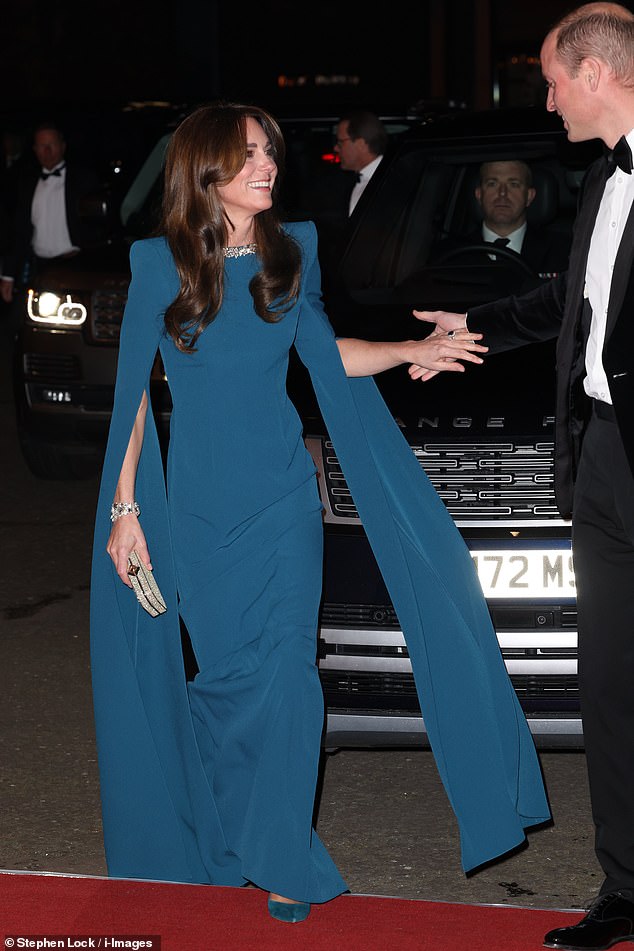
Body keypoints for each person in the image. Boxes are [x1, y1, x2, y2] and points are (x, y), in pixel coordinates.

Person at [90, 102, 549, 925]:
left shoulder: (291, 249)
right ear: (206, 172)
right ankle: (229, 835)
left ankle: (282, 857)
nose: (271, 166)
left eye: (270, 152)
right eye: (251, 155)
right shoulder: (158, 264)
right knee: (228, 684)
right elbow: (130, 402)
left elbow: (324, 353)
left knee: (289, 681)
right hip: (194, 512)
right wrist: (125, 510)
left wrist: (410, 350)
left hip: (279, 505)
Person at [413, 5, 634, 948]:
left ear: (594, 70)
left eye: (551, 80)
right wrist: (471, 329)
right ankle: (627, 887)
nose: (545, 101)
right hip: (605, 460)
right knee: (611, 684)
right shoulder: (599, 182)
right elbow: (565, 304)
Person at [0, 120, 102, 304]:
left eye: (51, 145)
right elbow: (19, 232)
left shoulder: (84, 180)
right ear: (34, 150)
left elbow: (99, 224)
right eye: (41, 146)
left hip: (75, 267)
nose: (46, 151)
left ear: (62, 146)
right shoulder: (26, 184)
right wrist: (7, 276)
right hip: (36, 268)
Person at [434, 159, 571, 275]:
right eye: (492, 184)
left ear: (529, 196)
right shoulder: (448, 255)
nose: (502, 194)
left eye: (513, 184)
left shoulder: (564, 252)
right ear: (479, 194)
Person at [334, 110, 389, 216]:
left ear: (361, 144)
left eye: (340, 142)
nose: (336, 148)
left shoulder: (393, 182)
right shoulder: (349, 183)